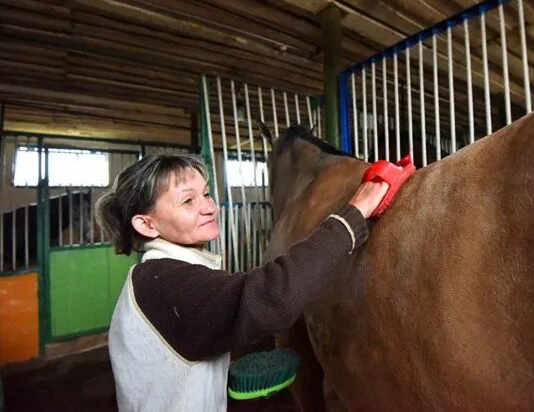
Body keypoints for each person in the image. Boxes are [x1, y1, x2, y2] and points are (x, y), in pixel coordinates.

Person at [95, 153, 389, 412]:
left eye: (206, 194)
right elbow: (271, 297)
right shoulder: (164, 284)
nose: (209, 207)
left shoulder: (154, 276)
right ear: (146, 224)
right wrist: (353, 215)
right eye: (188, 200)